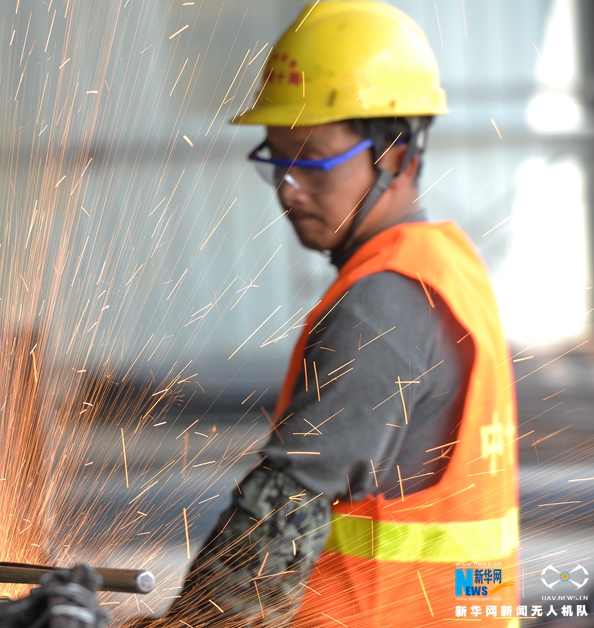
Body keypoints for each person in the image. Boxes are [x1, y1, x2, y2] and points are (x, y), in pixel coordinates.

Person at [125, 2, 519, 626]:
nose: (288, 186)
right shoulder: (448, 264)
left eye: (311, 159)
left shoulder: (383, 303)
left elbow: (278, 516)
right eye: (277, 159)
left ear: (395, 152)